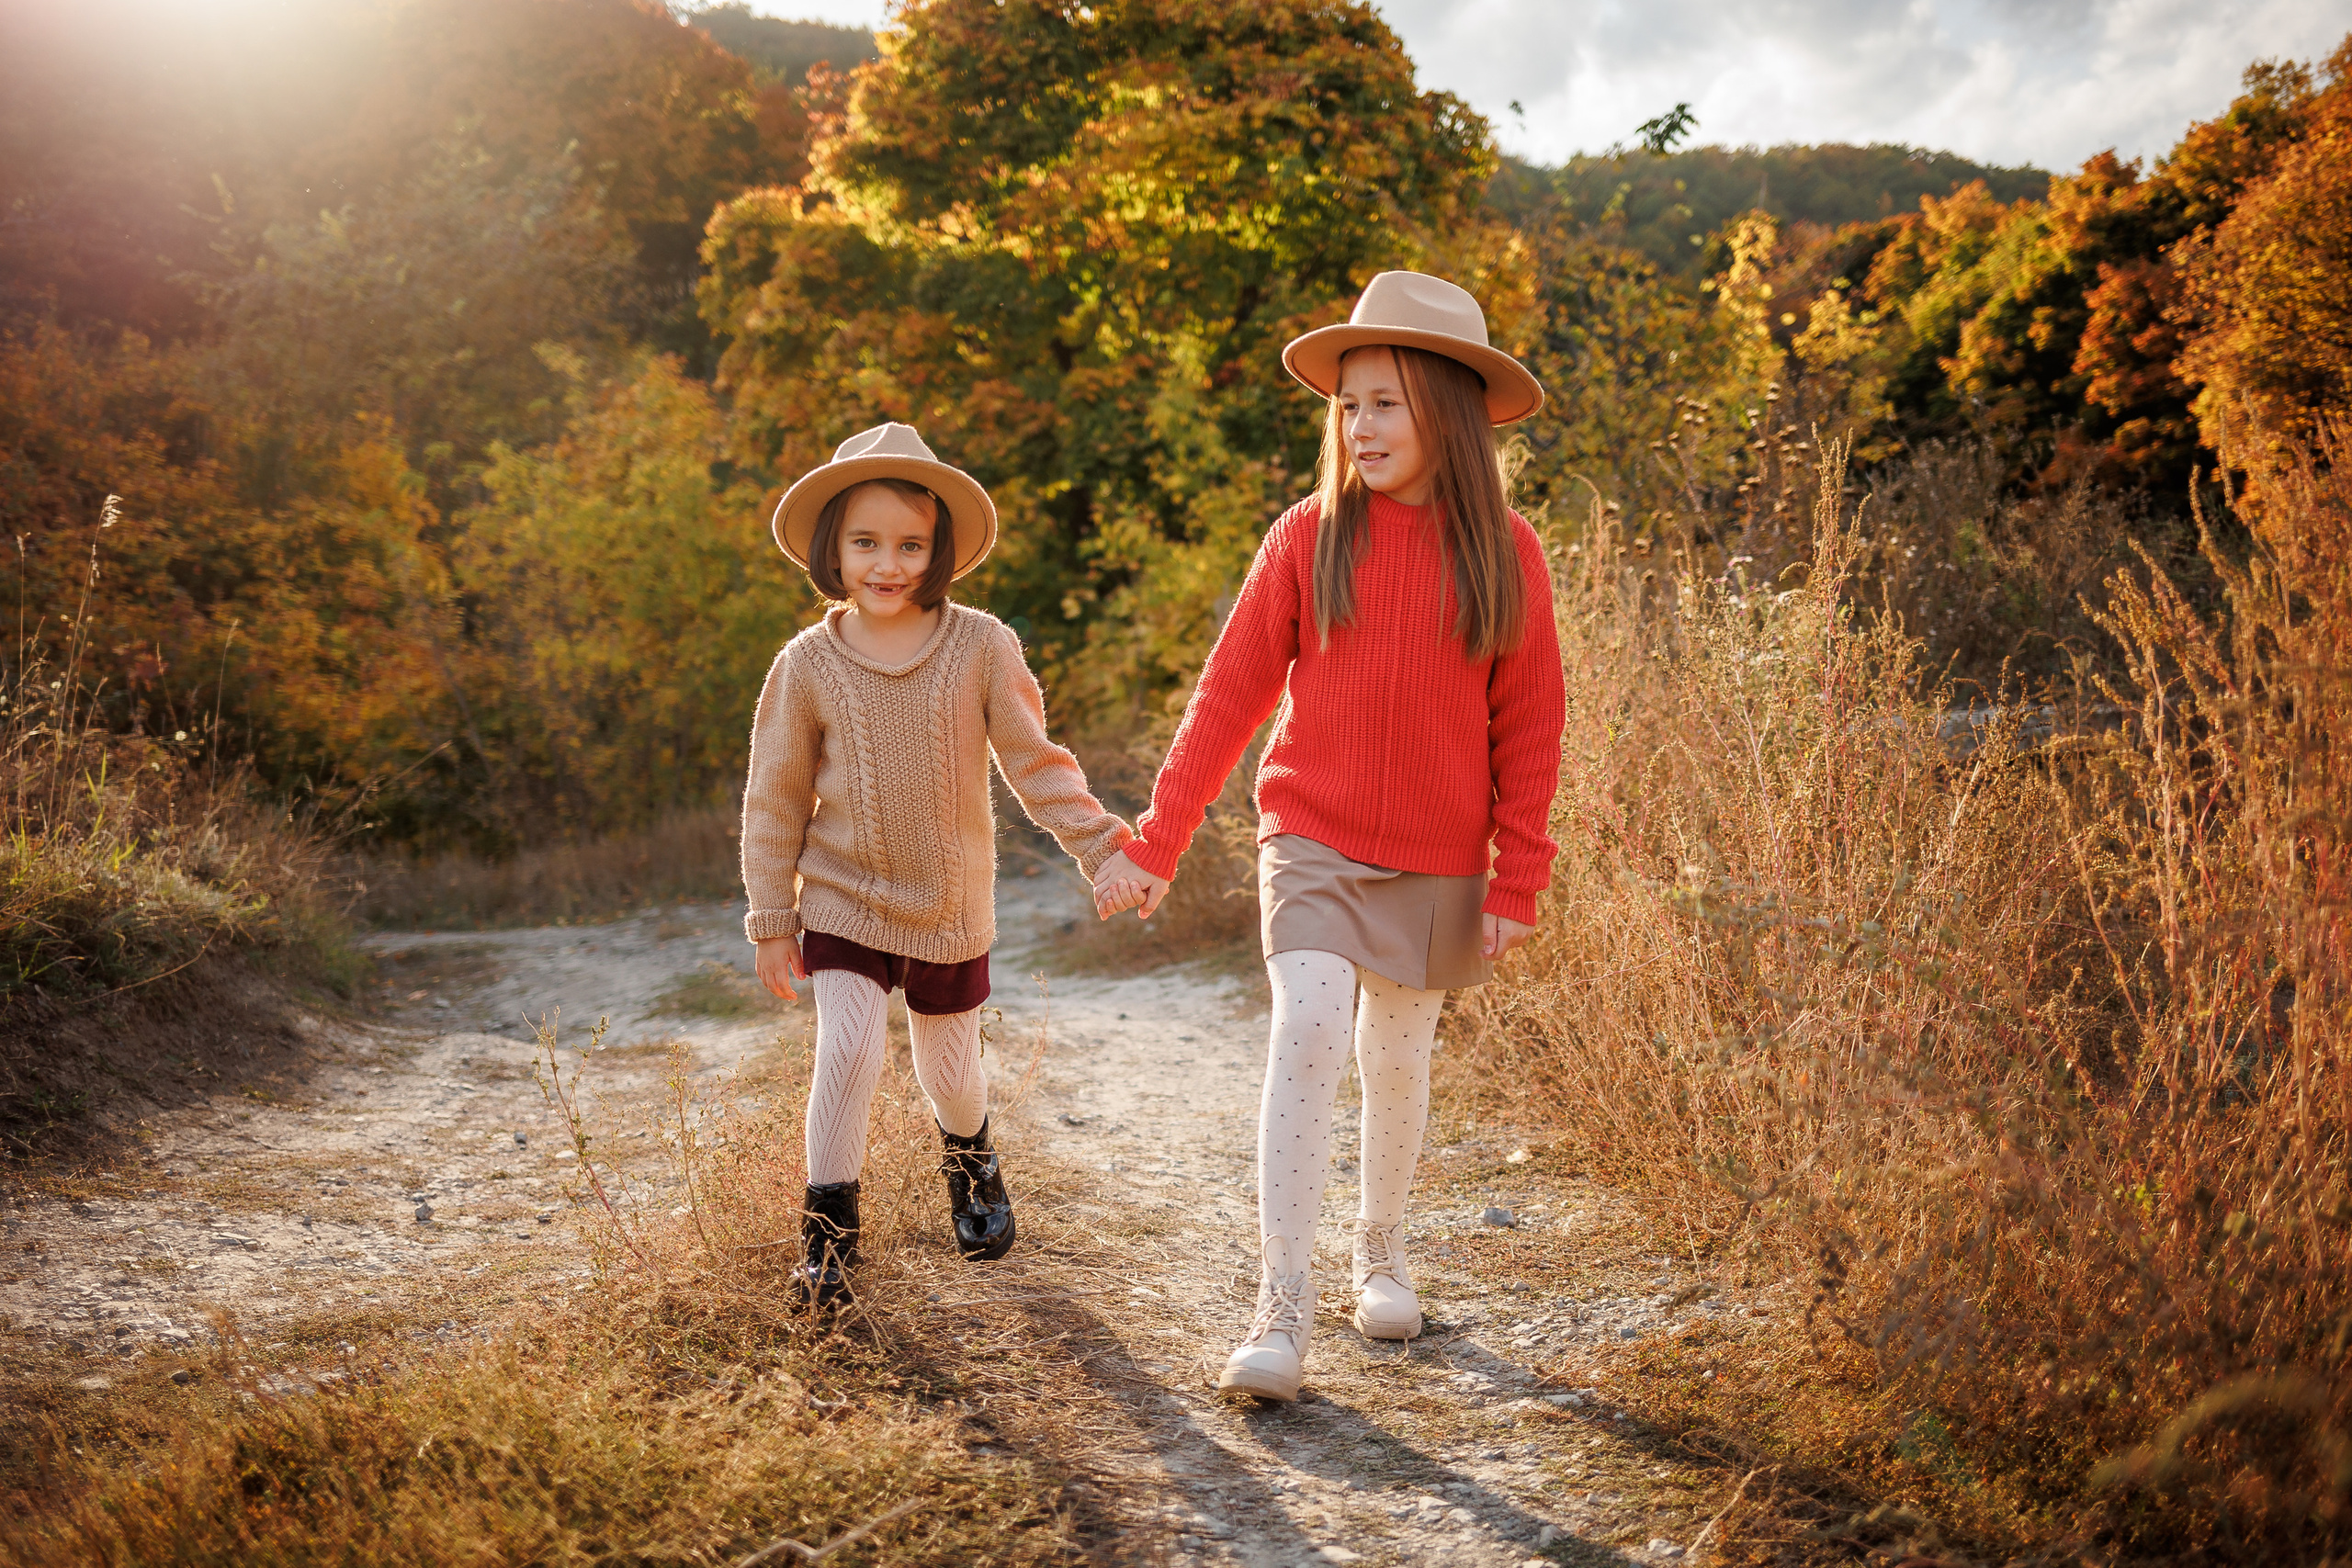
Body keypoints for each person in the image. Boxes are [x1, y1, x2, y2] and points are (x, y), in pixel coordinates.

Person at [1092, 272, 1566, 1400]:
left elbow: (1532, 728)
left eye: (1387, 403)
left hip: (1442, 855)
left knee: (1397, 1059)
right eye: (1349, 404)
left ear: (1448, 412)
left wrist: (1517, 880)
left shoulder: (1508, 552)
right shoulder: (1306, 537)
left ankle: (1381, 1250)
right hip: (1309, 834)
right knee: (1308, 1026)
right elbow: (1227, 698)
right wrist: (1158, 839)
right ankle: (1280, 1306)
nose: (1361, 426)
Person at [742, 423, 1133, 1307]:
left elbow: (1035, 762)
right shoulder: (806, 664)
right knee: (845, 1050)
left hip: (950, 906)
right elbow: (774, 799)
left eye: (910, 544)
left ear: (940, 549)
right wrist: (772, 917)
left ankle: (970, 1156)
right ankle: (829, 1241)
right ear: (830, 549)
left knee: (950, 1071)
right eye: (866, 542)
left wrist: (1104, 849)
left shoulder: (981, 645)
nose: (888, 563)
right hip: (839, 899)